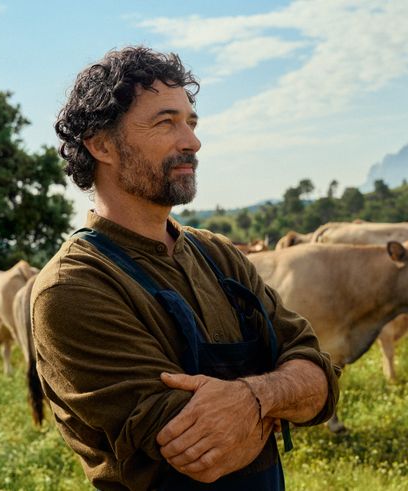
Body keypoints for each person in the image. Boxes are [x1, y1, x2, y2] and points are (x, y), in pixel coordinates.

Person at [29, 46, 339, 490]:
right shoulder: (73, 288)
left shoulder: (218, 254)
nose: (192, 141)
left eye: (191, 123)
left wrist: (255, 397)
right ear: (100, 144)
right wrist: (280, 397)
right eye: (165, 122)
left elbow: (320, 377)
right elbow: (200, 452)